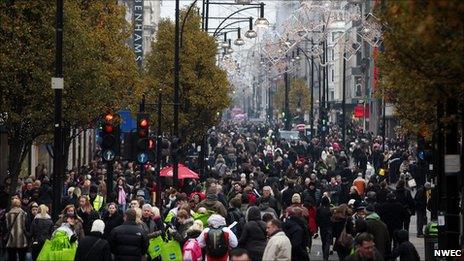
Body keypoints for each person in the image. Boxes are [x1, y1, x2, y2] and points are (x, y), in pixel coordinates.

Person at [317, 196, 333, 261]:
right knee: (328, 242)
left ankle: (324, 255)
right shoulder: (330, 209)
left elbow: (317, 218)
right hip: (329, 227)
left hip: (322, 227)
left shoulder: (319, 209)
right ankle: (326, 257)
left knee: (323, 242)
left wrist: (318, 225)